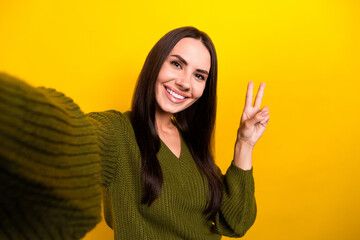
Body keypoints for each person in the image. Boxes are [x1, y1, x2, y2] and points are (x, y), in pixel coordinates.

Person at [0, 26, 270, 239]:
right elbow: (70, 134)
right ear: (155, 64)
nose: (185, 82)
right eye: (176, 64)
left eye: (199, 76)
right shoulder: (118, 134)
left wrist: (245, 144)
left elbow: (236, 222)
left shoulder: (192, 146)